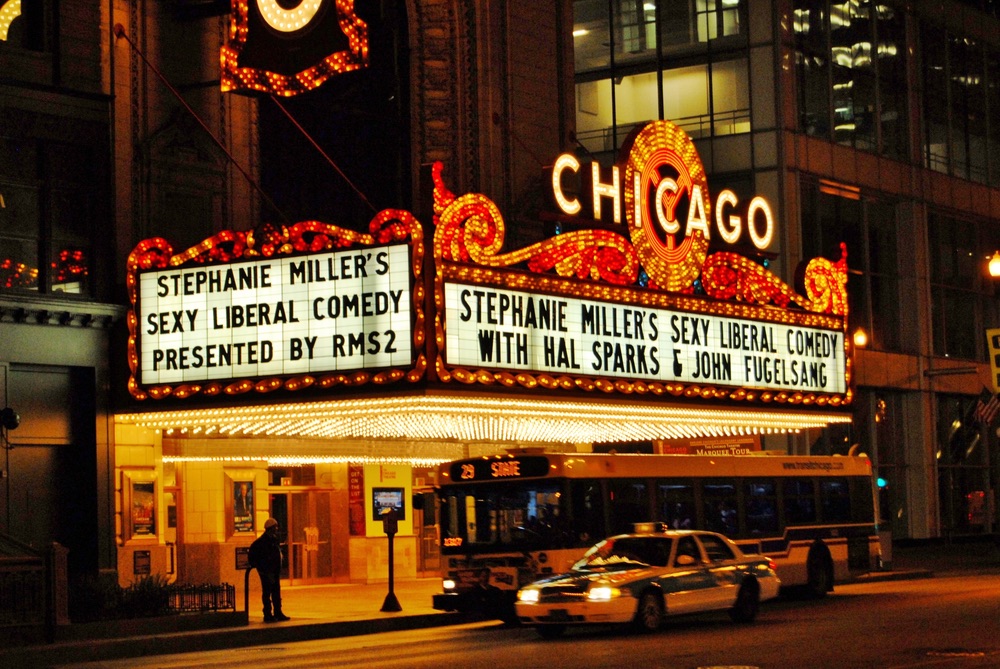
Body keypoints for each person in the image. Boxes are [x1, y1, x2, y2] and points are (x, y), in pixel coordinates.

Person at [248, 517, 289, 622]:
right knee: (267, 592)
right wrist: (261, 568)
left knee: (276, 592)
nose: (277, 529)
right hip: (266, 572)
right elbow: (255, 555)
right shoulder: (261, 542)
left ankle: (278, 612)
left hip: (274, 571)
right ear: (270, 528)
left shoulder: (274, 539)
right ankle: (267, 614)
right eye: (275, 527)